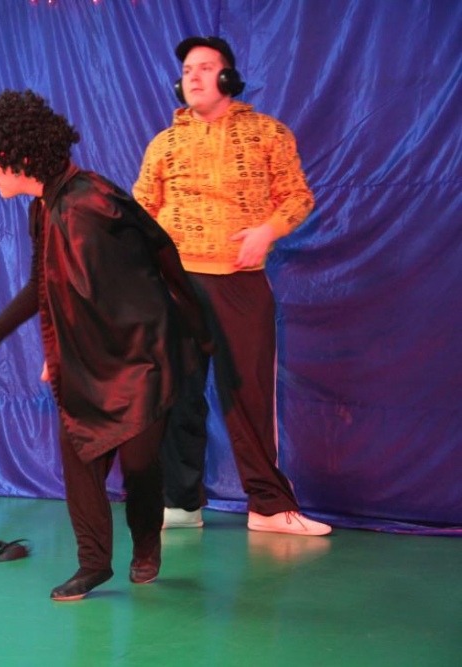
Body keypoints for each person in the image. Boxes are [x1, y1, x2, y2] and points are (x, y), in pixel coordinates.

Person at [0, 90, 210, 601]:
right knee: (80, 458)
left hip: (142, 356)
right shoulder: (45, 206)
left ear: (18, 157)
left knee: (139, 465)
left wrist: (66, 349)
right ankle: (94, 563)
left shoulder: (88, 206)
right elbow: (44, 283)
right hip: (96, 357)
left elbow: (131, 297)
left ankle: (146, 544)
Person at [133, 36, 331, 536]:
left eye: (205, 67)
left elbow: (298, 197)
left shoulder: (268, 134)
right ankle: (180, 503)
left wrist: (267, 230)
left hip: (240, 284)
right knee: (176, 394)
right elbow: (140, 212)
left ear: (228, 77)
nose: (193, 77)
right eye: (187, 70)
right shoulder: (164, 144)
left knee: (249, 395)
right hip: (175, 285)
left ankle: (268, 507)